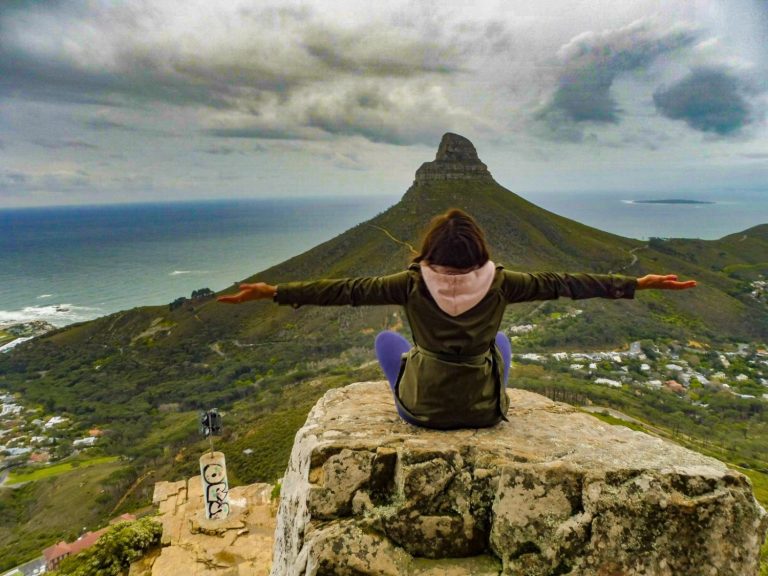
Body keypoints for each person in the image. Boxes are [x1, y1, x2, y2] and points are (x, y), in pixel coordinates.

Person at [218, 209, 696, 429]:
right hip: (485, 412)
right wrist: (639, 283)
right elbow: (569, 282)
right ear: (479, 251)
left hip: (421, 412)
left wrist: (275, 292)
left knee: (388, 341)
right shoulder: (505, 282)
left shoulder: (408, 283)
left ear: (430, 251)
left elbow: (342, 292)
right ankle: (477, 384)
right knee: (501, 342)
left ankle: (415, 380)